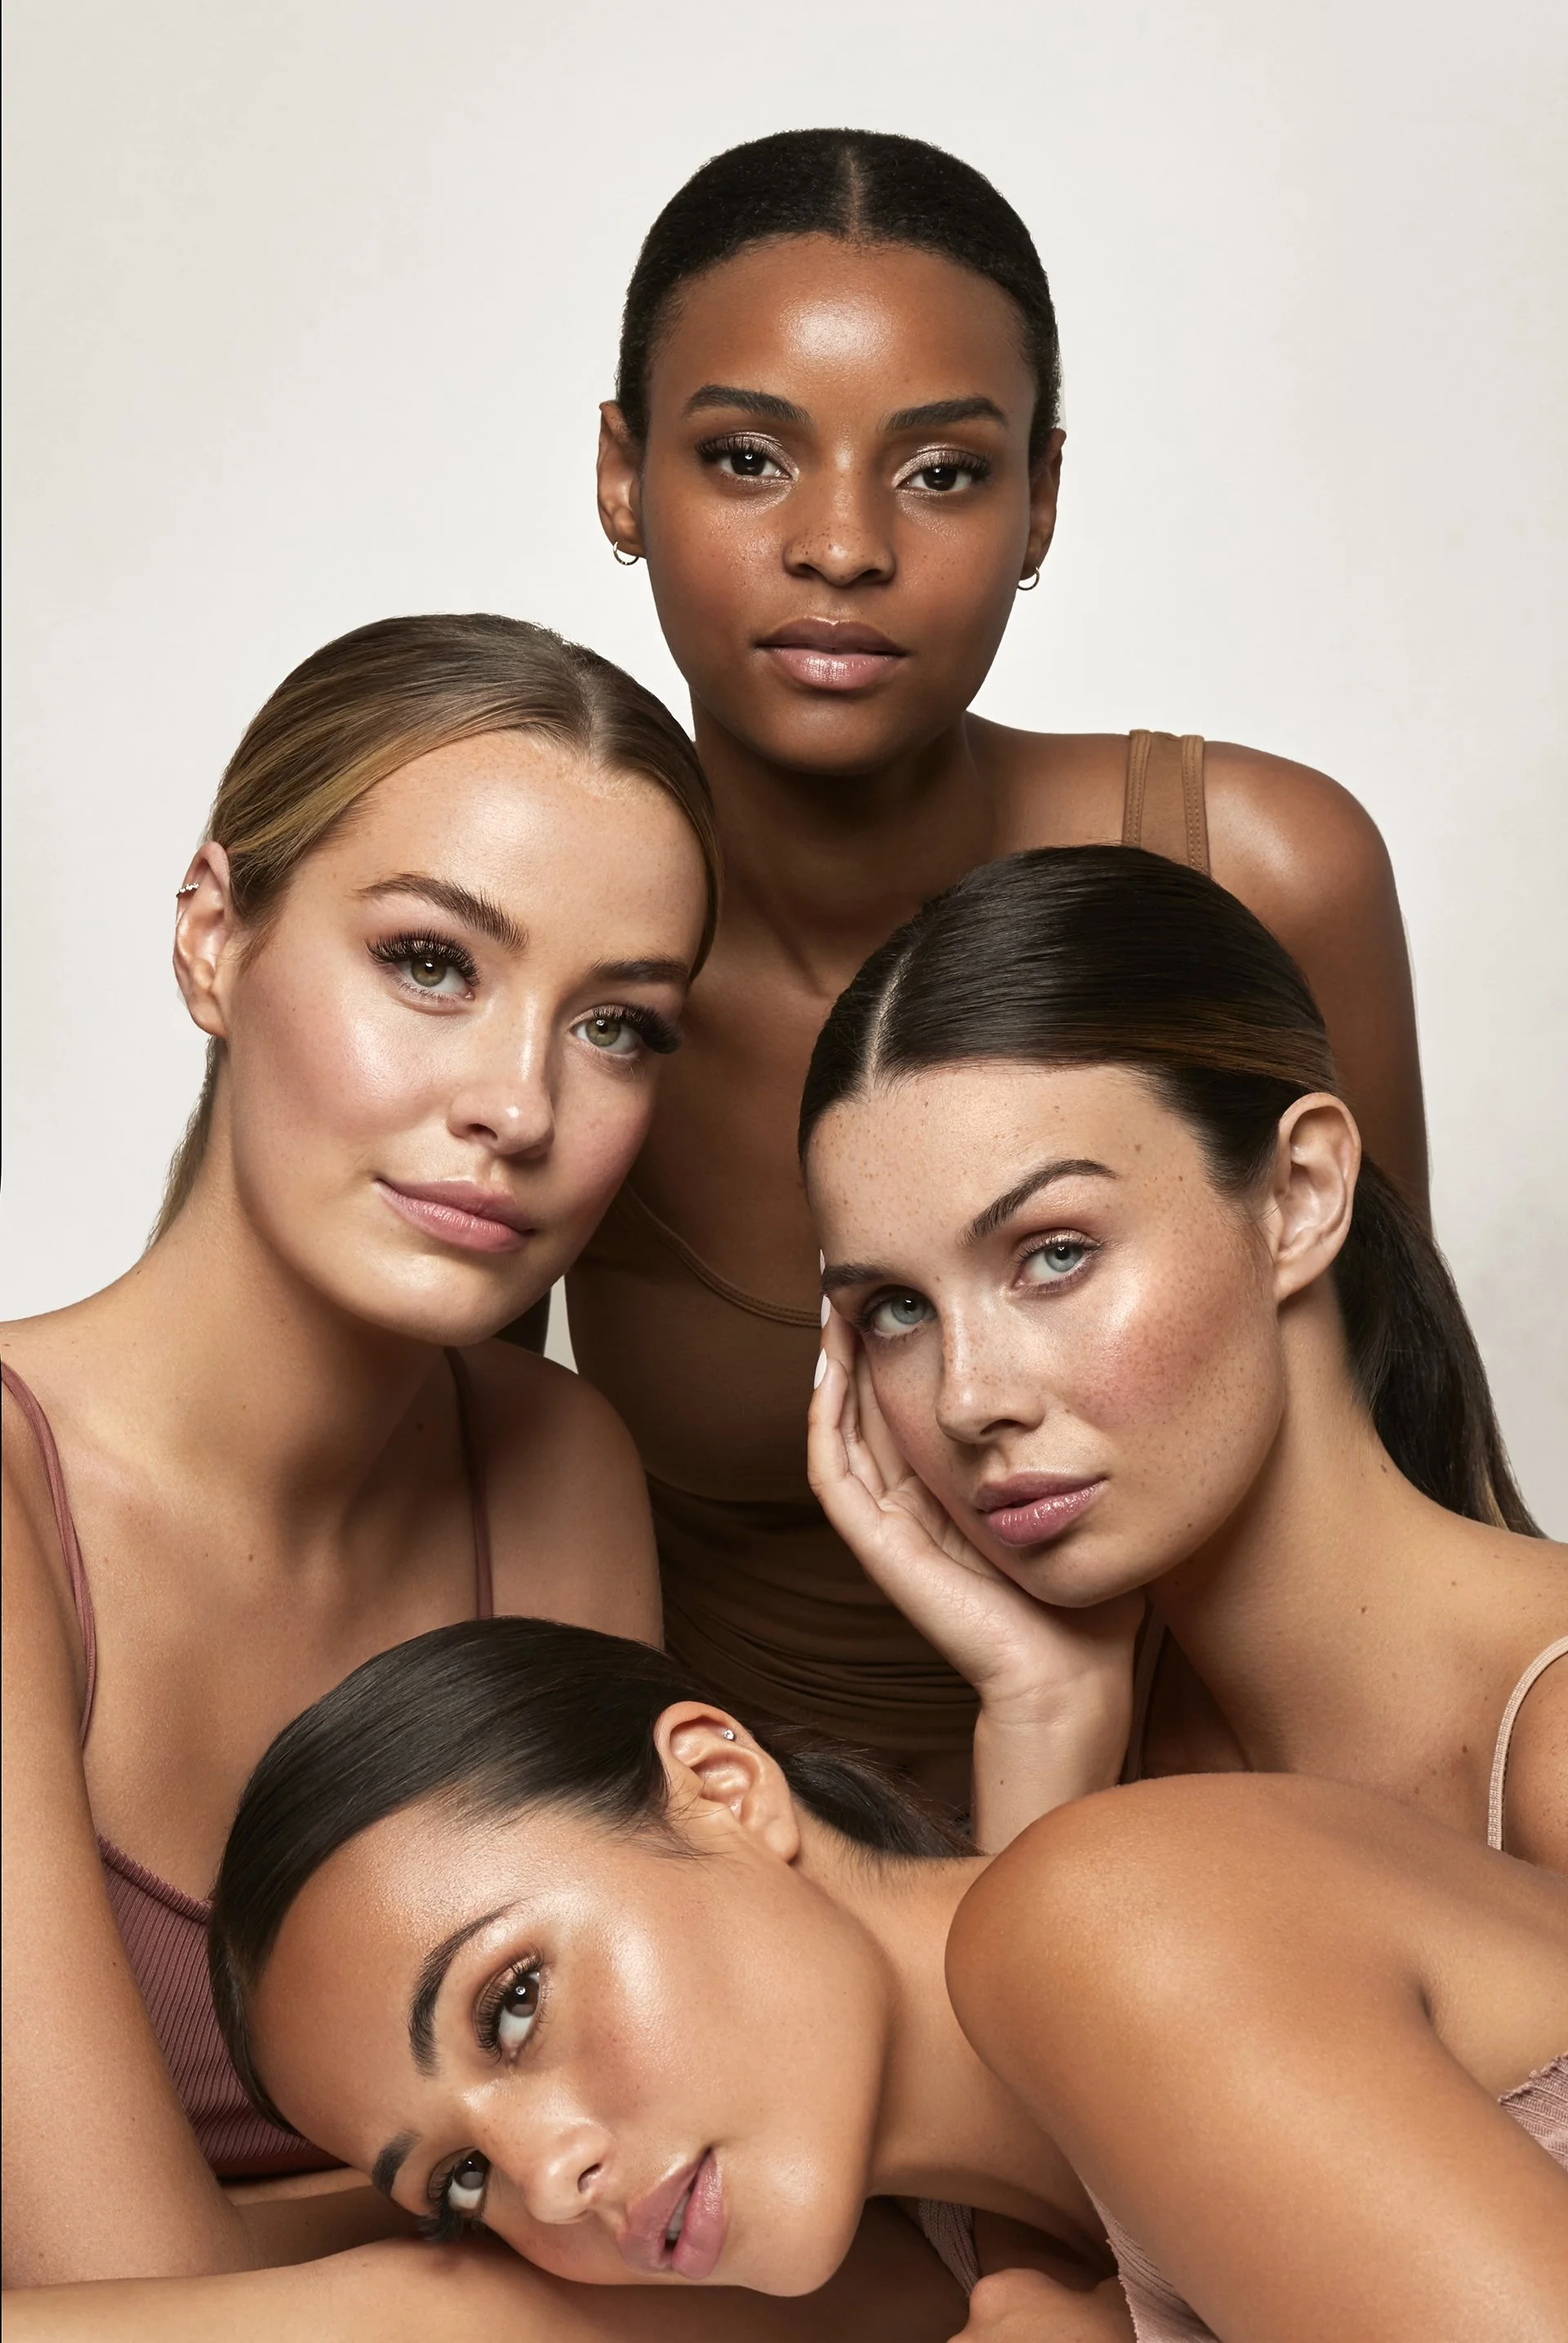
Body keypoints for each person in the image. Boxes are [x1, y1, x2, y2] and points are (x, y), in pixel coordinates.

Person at [1, 614, 959, 2339]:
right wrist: (427, 2290)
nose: (518, 1104)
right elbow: (105, 2297)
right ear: (215, 937)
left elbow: (697, 2225)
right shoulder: (14, 1494)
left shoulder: (551, 1465)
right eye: (433, 964)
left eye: (615, 1028)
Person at [567, 127, 1431, 1800]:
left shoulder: (1258, 868)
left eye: (942, 472)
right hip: (743, 1886)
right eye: (748, 459)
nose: (840, 546)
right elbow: (394, 1497)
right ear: (622, 473)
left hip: (1228, 1849)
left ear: (1042, 498)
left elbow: (1397, 1485)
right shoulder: (549, 958)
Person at [59, 1615, 1565, 2341]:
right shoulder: (955, 2245)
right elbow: (405, 2322)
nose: (550, 2172)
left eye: (513, 2000)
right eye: (458, 2175)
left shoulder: (1108, 1916)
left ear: (723, 1783)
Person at [799, 845, 1564, 1859]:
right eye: (898, 1309)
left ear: (1299, 1196)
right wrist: (1046, 1716)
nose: (966, 1399)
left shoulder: (1550, 1740)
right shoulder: (1107, 1721)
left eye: (1055, 1253)